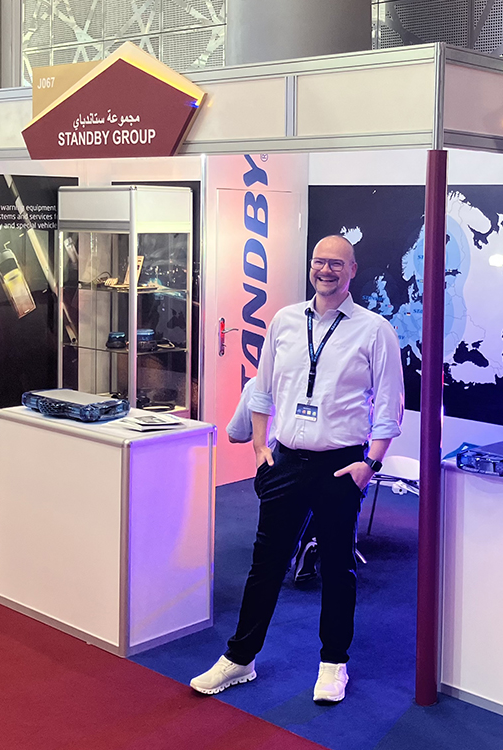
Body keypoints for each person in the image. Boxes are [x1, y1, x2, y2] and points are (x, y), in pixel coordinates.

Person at [191, 234, 404, 703]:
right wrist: (260, 448)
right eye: (318, 262)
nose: (325, 270)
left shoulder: (374, 331)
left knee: (337, 567)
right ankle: (239, 658)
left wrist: (370, 463)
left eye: (336, 263)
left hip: (340, 466)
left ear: (353, 269)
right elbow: (262, 389)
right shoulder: (286, 321)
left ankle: (333, 664)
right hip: (284, 460)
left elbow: (390, 407)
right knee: (264, 564)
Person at [228, 379, 319, 583]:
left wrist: (261, 441)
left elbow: (235, 435)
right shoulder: (325, 381)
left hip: (275, 468)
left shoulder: (257, 385)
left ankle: (291, 548)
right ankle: (310, 541)